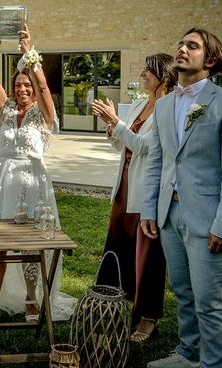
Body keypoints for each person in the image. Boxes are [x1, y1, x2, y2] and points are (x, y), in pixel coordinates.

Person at [141, 28, 222, 368]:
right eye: (181, 43)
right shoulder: (163, 106)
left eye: (193, 45)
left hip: (208, 218)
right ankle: (189, 353)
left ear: (212, 59)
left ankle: (215, 362)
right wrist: (149, 209)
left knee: (210, 300)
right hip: (169, 217)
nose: (182, 49)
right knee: (183, 292)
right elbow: (158, 162)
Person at [0, 24, 76, 324]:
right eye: (18, 85)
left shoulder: (43, 115)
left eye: (26, 84)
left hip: (32, 183)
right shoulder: (5, 112)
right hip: (1, 181)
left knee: (30, 245)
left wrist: (29, 54)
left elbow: (43, 88)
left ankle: (31, 299)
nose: (22, 89)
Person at [92, 54, 177, 343]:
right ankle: (120, 304)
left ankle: (148, 318)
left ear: (162, 76)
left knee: (147, 257)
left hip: (147, 192)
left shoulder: (169, 109)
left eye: (148, 71)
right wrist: (111, 126)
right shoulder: (141, 105)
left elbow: (146, 147)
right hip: (125, 188)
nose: (142, 74)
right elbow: (123, 143)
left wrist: (117, 123)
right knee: (120, 249)